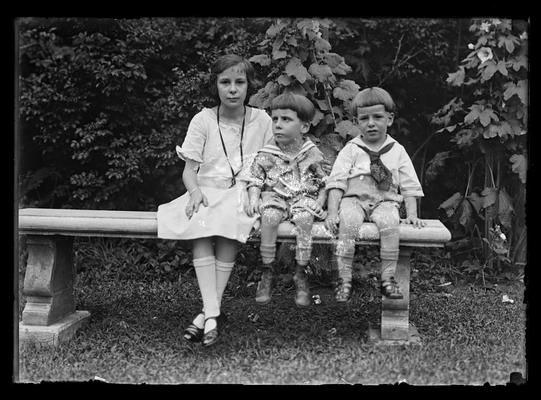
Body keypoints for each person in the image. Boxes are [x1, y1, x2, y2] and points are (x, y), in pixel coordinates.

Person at [157, 54, 274, 346]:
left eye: (239, 82)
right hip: (206, 190)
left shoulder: (261, 120)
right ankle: (212, 314)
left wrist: (255, 193)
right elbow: (189, 172)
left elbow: (269, 166)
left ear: (249, 86)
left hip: (244, 192)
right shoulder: (203, 120)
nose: (233, 89)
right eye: (225, 82)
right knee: (200, 221)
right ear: (215, 86)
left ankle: (207, 315)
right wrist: (195, 193)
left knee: (229, 224)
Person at [324, 87, 426, 302]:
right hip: (354, 200)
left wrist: (413, 214)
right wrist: (332, 212)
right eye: (364, 118)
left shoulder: (397, 150)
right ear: (356, 121)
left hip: (384, 201)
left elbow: (409, 185)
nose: (371, 123)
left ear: (389, 119)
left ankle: (388, 279)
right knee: (348, 221)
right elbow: (336, 181)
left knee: (390, 224)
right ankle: (344, 279)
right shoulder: (351, 149)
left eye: (377, 117)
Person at [243, 92, 328, 307]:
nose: (278, 125)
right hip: (275, 196)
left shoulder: (312, 153)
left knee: (304, 220)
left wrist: (320, 201)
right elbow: (255, 178)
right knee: (269, 217)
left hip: (303, 198)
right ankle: (267, 271)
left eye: (286, 119)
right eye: (275, 119)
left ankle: (300, 273)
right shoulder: (268, 152)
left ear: (304, 127)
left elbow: (327, 181)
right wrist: (254, 197)